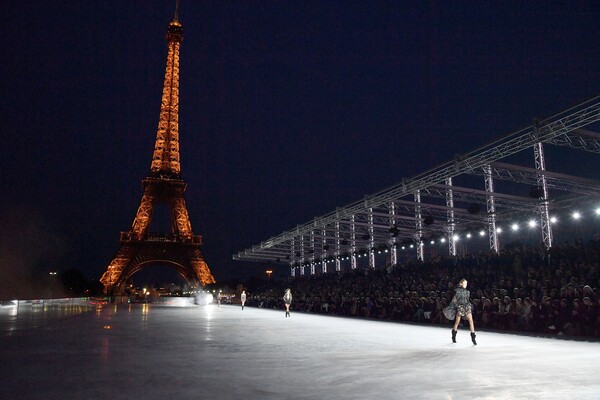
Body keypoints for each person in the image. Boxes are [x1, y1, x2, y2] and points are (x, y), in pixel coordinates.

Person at [443, 279, 477, 345]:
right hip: (460, 307)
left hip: (467, 306)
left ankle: (473, 338)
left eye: (466, 284)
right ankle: (454, 336)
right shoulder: (457, 291)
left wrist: (469, 304)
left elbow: (467, 300)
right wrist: (455, 306)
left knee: (471, 321)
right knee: (457, 322)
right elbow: (454, 300)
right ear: (461, 284)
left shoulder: (467, 292)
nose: (466, 285)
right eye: (464, 283)